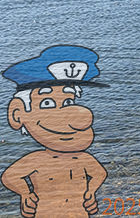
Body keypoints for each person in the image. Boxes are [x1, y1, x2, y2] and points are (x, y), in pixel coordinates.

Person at [2, 46, 109, 218]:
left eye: (68, 102)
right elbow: (10, 177)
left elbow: (100, 174)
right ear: (17, 114)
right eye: (47, 103)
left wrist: (91, 191)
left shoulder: (83, 158)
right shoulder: (37, 160)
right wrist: (25, 193)